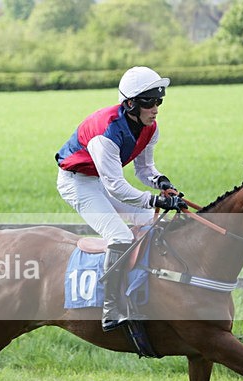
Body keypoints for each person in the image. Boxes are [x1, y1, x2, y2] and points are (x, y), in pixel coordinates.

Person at [55, 66, 187, 332]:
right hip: (78, 183)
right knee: (121, 237)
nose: (156, 108)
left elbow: (144, 169)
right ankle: (111, 307)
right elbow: (116, 186)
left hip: (100, 181)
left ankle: (145, 292)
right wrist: (156, 201)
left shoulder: (150, 127)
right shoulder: (106, 134)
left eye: (159, 100)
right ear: (130, 104)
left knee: (152, 222)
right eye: (150, 102)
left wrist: (162, 183)